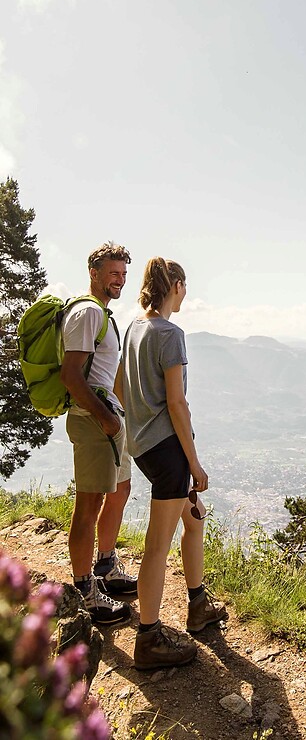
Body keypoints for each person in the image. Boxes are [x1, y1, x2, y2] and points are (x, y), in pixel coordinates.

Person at [116, 257, 226, 670]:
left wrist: (138, 424)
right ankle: (148, 639)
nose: (186, 296)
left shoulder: (134, 329)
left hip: (143, 445)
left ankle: (197, 605)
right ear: (175, 285)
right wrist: (194, 465)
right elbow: (177, 403)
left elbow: (118, 386)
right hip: (169, 451)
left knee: (193, 523)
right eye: (185, 287)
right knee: (157, 546)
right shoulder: (171, 334)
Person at [60, 243, 137, 626]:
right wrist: (106, 419)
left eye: (123, 273)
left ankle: (106, 565)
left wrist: (120, 418)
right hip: (93, 422)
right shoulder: (88, 312)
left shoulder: (103, 314)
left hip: (108, 421)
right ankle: (84, 591)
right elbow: (71, 375)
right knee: (87, 507)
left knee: (120, 490)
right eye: (113, 272)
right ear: (94, 272)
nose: (119, 279)